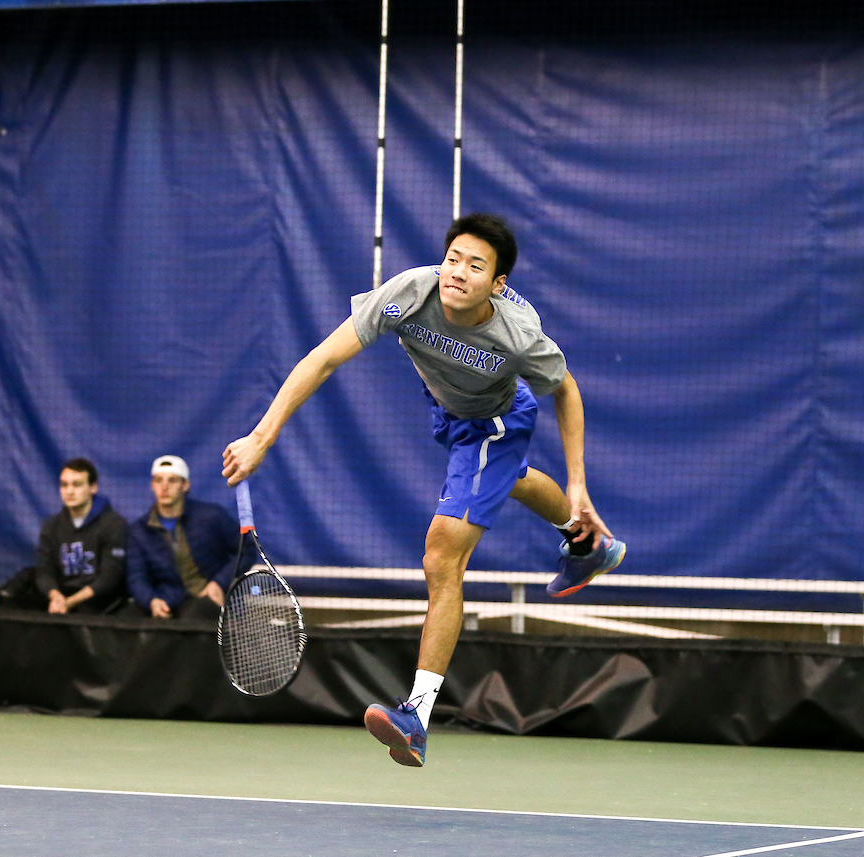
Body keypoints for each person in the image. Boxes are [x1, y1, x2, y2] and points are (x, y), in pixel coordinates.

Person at [222, 213, 626, 768]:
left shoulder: (516, 335)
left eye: (475, 266)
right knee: (509, 483)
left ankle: (416, 716)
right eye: (452, 259)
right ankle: (586, 545)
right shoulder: (408, 295)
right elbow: (323, 359)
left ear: (498, 283)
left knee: (442, 556)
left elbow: (567, 390)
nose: (457, 272)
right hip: (451, 412)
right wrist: (261, 436)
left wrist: (580, 483)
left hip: (499, 421)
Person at [125, 455, 239, 620]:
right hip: (168, 602)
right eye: (158, 480)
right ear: (152, 485)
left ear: (185, 485)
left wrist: (219, 583)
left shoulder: (212, 516)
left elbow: (245, 550)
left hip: (210, 601)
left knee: (196, 617)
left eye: (172, 480)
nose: (164, 487)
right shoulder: (139, 530)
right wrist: (152, 600)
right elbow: (136, 575)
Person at [24, 458, 127, 614]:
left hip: (97, 597)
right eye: (64, 485)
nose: (69, 491)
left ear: (93, 488)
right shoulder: (51, 526)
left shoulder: (114, 525)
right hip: (62, 593)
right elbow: (44, 571)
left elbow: (110, 577)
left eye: (77, 485)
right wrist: (56, 597)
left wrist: (70, 602)